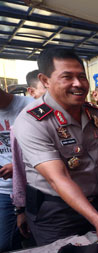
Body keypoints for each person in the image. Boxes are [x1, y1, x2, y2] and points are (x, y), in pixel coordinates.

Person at [12, 48, 98, 247]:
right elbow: (57, 178)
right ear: (45, 80)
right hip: (57, 213)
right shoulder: (32, 121)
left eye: (82, 76)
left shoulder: (94, 114)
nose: (78, 84)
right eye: (67, 77)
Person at [12, 70, 45, 243]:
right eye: (46, 87)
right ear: (32, 92)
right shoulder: (26, 121)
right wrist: (20, 209)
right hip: (44, 204)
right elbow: (19, 169)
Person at [0, 88, 32, 253]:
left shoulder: (29, 106)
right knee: (6, 246)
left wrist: (18, 166)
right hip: (4, 190)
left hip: (34, 187)